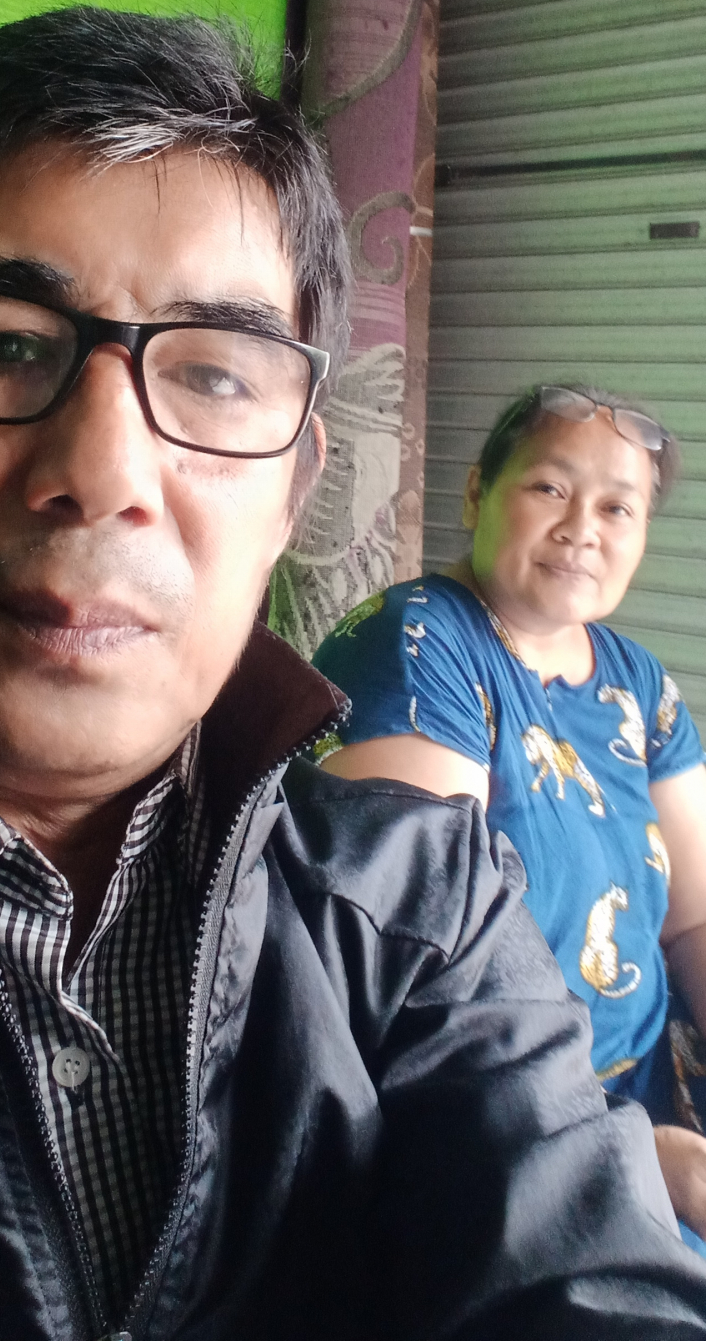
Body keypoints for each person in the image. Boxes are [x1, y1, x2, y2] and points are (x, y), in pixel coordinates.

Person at [0, 17, 705, 1341]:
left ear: (294, 495)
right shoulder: (423, 647)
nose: (103, 472)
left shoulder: (419, 907)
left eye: (215, 375)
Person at [314, 383, 706, 1259]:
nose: (582, 528)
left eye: (618, 507)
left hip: (656, 1084)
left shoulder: (637, 680)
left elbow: (694, 916)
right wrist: (631, 1151)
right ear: (477, 492)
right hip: (503, 1125)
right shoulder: (418, 645)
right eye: (550, 487)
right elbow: (422, 975)